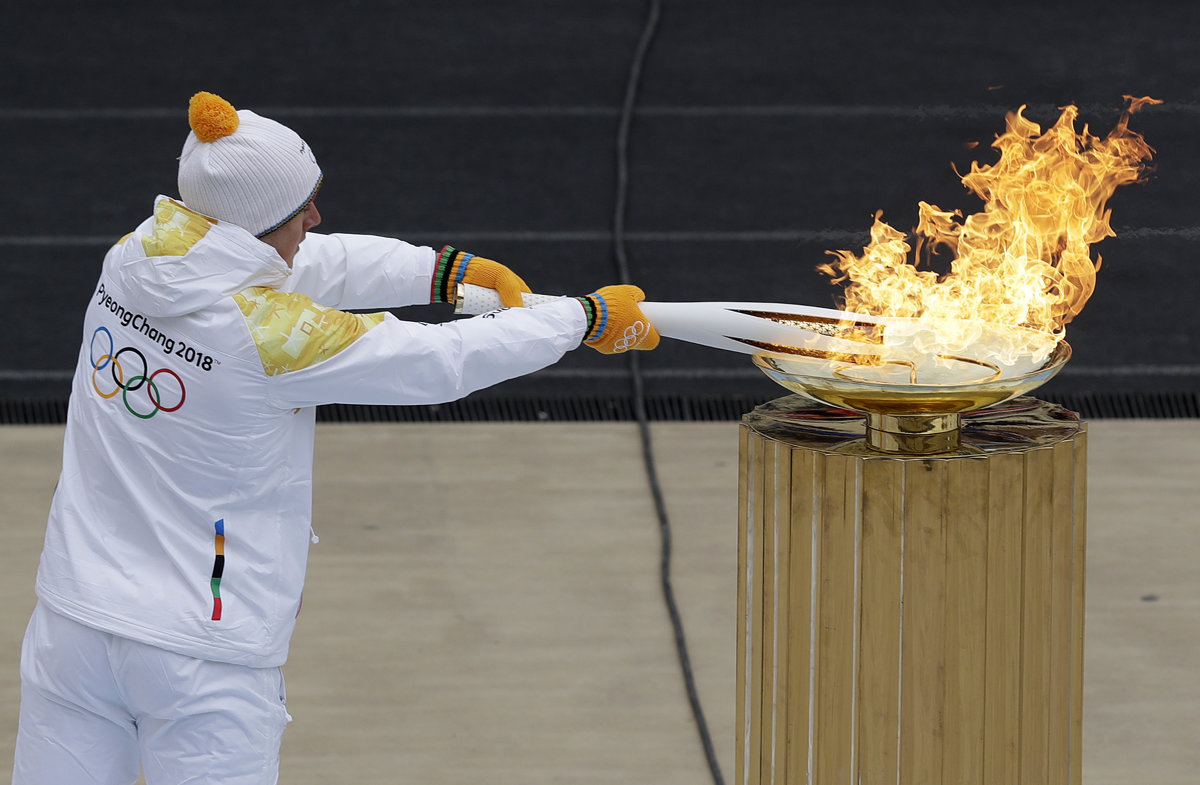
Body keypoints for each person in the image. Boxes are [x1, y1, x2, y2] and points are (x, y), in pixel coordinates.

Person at [12, 91, 659, 785]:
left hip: (72, 626)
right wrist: (580, 318)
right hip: (201, 655)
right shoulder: (273, 338)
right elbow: (437, 361)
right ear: (257, 221)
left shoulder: (134, 260)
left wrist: (439, 271)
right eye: (304, 208)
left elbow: (289, 262)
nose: (316, 218)